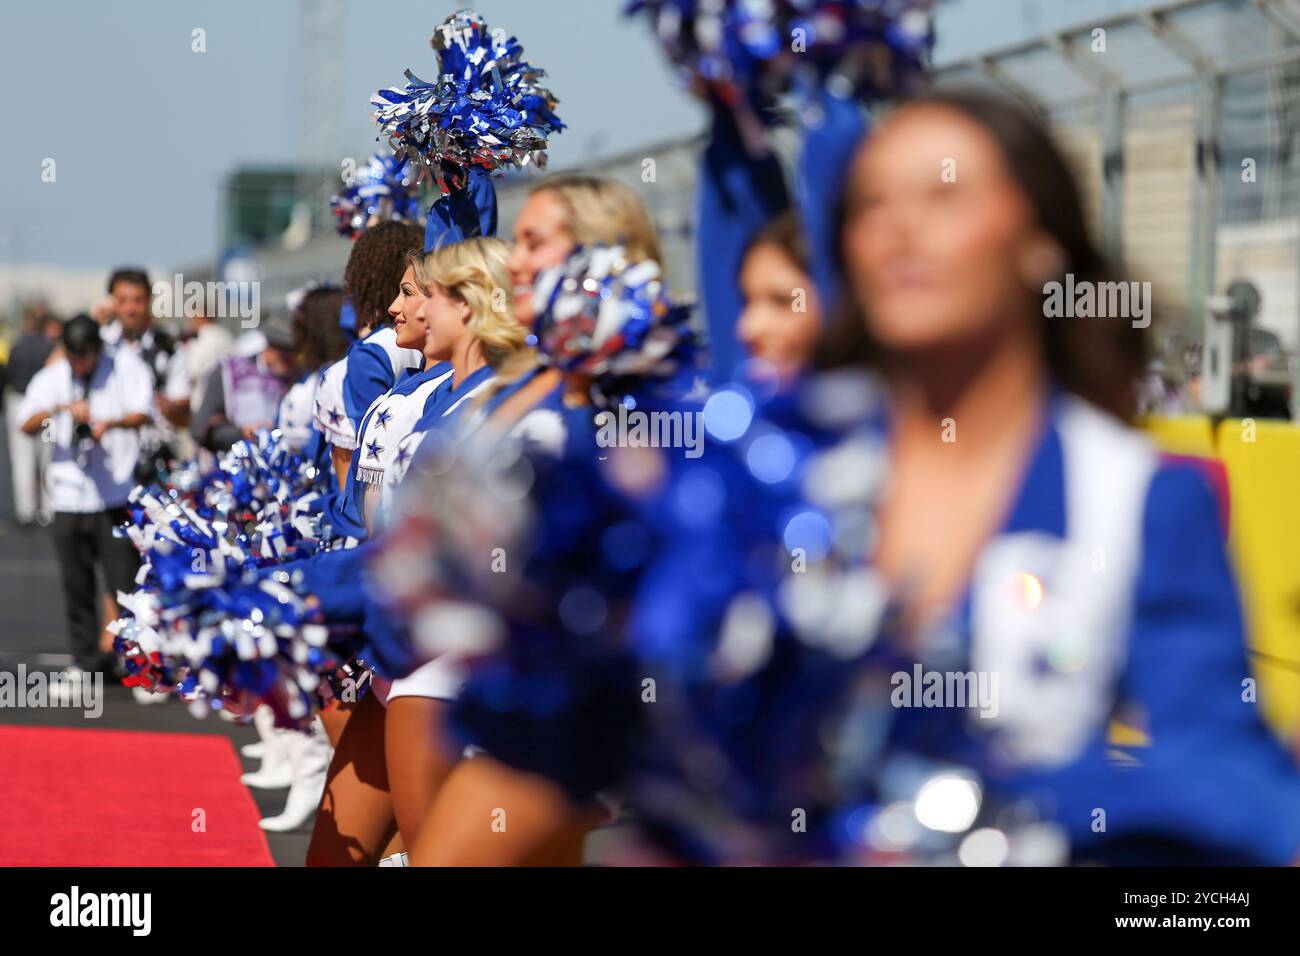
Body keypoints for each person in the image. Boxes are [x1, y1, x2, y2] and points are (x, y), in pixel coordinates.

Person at [18, 315, 152, 679]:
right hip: (67, 495)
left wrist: (110, 423)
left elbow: (144, 413)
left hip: (113, 493)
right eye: (74, 356)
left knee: (125, 583)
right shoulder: (52, 378)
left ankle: (136, 663)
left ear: (98, 351)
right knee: (76, 584)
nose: (80, 364)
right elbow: (26, 424)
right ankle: (85, 660)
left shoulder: (124, 370)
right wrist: (60, 411)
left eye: (87, 356)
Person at [191, 313, 297, 452]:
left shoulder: (302, 380)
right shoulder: (230, 373)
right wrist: (241, 433)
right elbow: (200, 428)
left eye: (293, 350)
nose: (289, 357)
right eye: (282, 349)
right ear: (268, 344)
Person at [4, 306, 57, 527]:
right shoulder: (50, 348)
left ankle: (26, 510)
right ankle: (49, 509)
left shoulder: (17, 346)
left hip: (20, 403)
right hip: (46, 408)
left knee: (22, 458)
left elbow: (7, 374)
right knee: (48, 458)